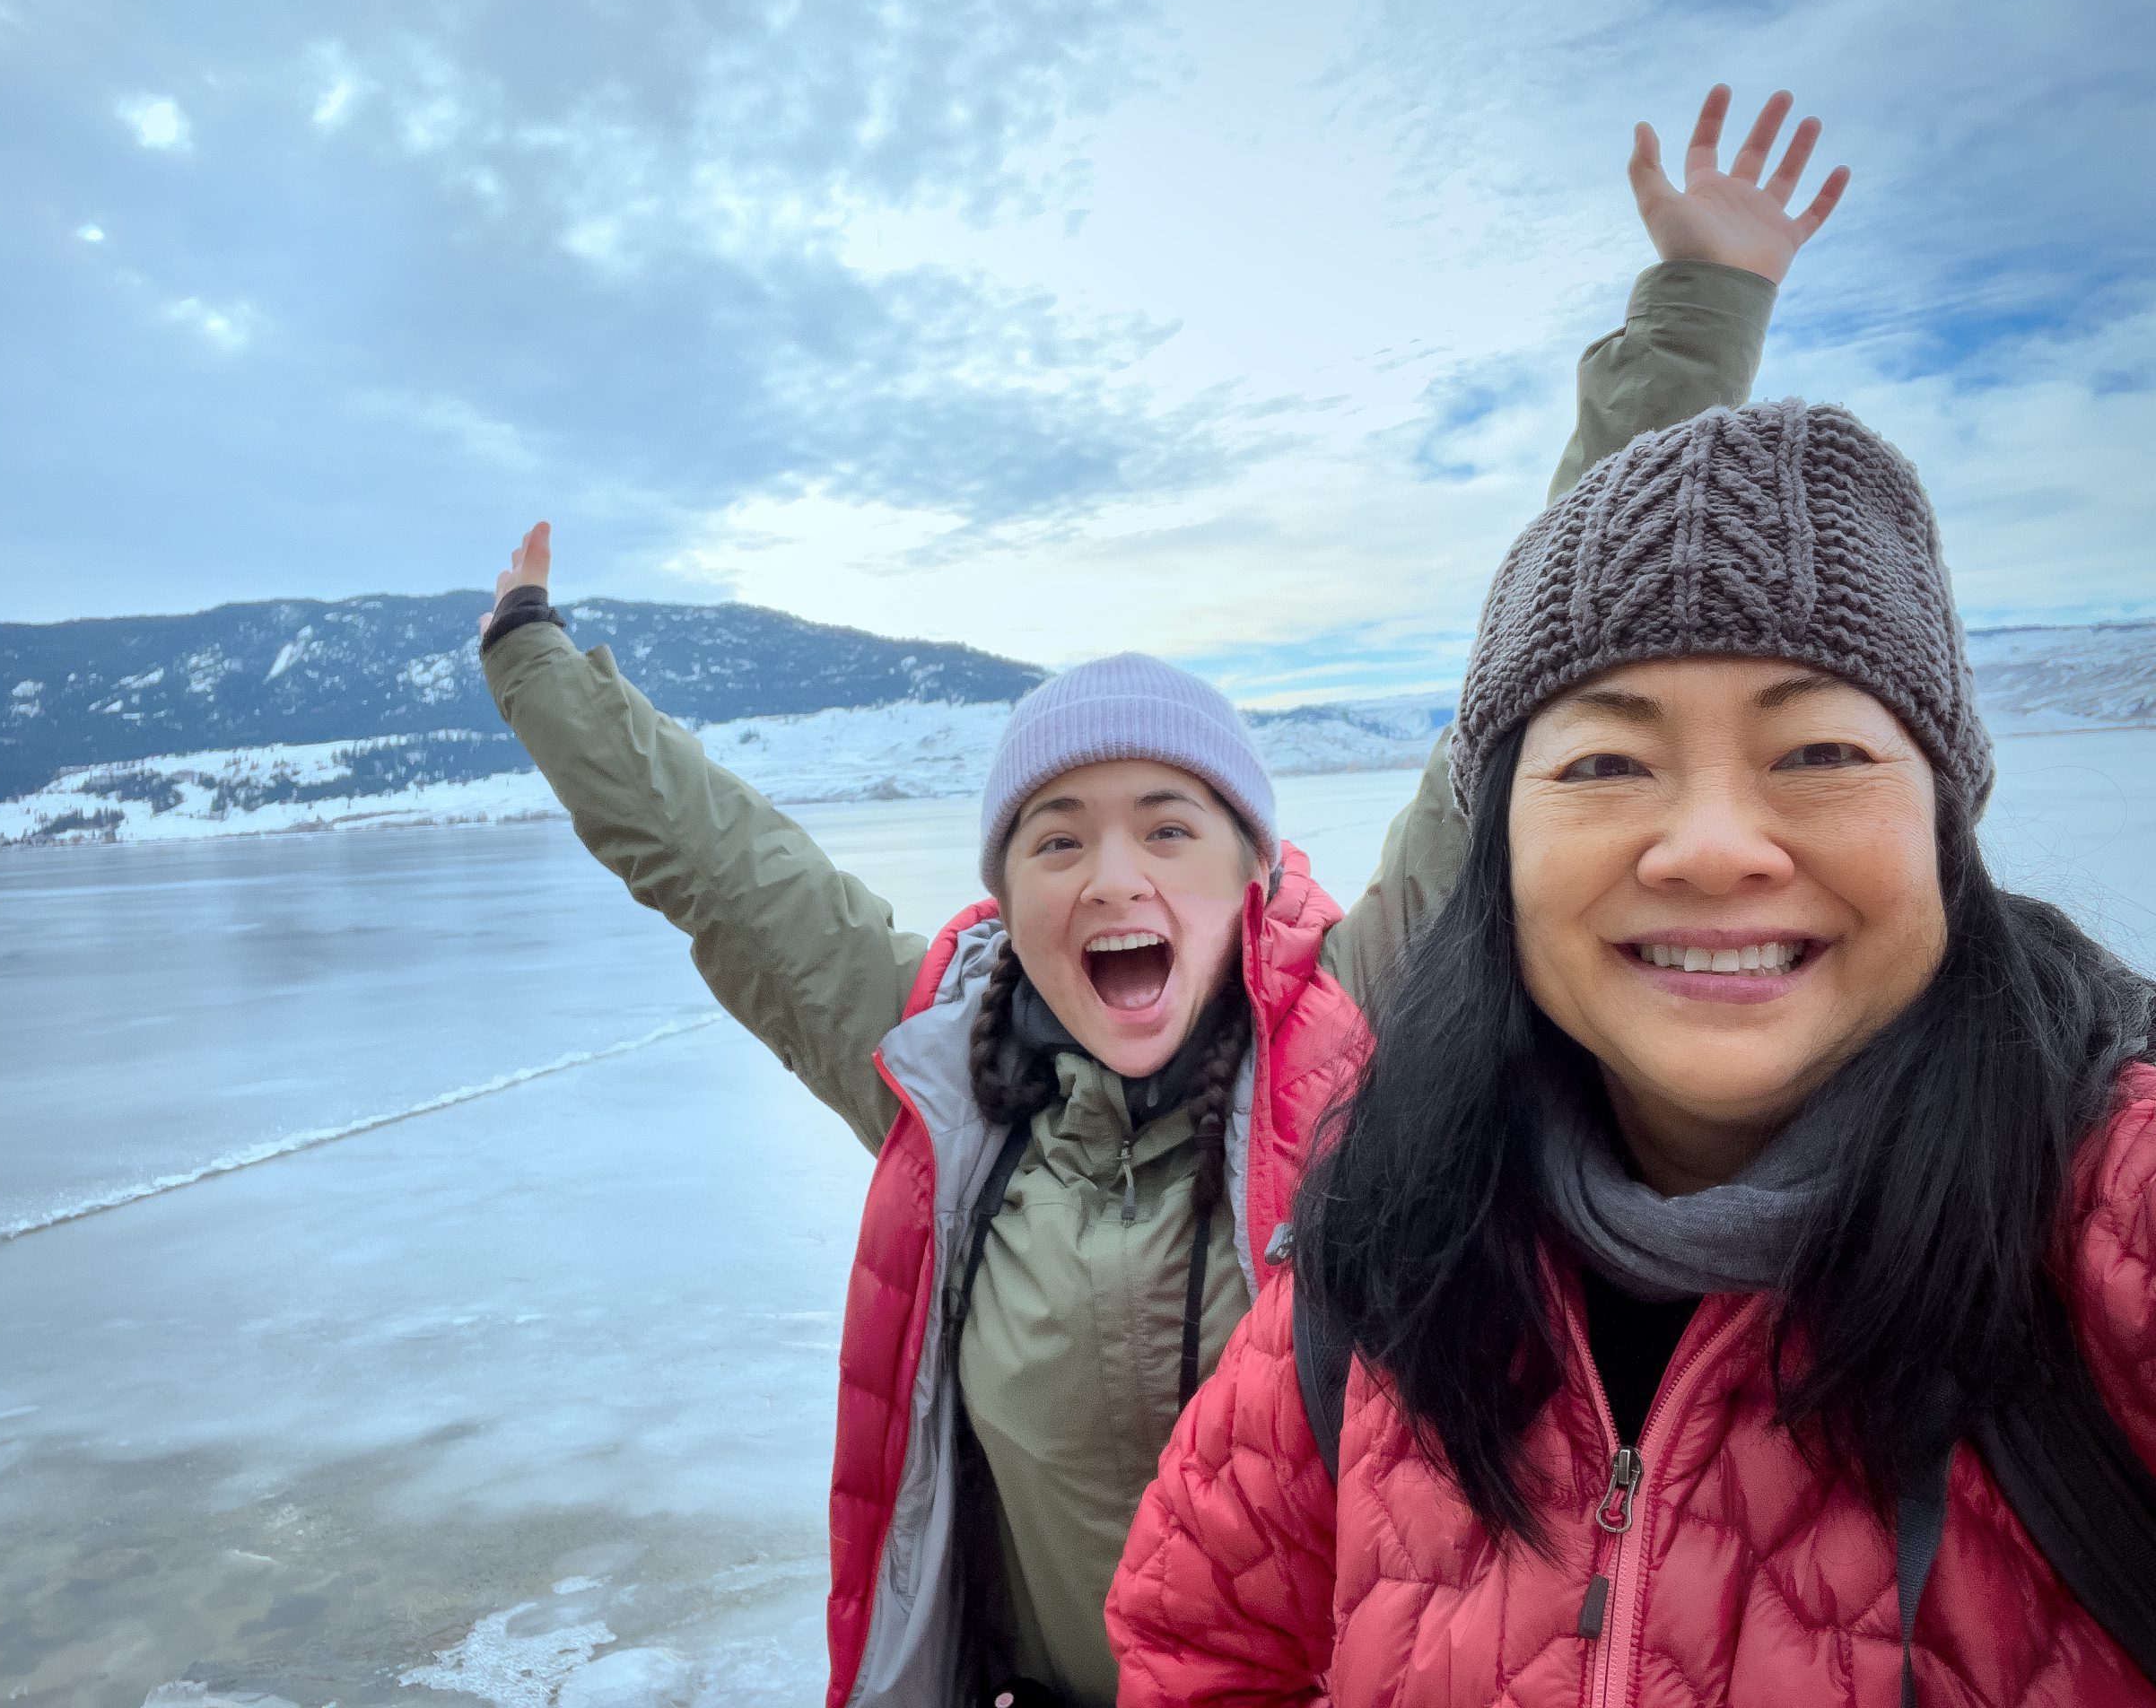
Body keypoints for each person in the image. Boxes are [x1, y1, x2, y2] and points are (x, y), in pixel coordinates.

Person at [478, 87, 1846, 1708]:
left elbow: (1520, 691)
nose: (1114, 874)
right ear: (1005, 894)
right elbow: (722, 863)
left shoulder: (1364, 1014)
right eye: (1055, 839)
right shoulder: (941, 1069)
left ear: (1252, 869)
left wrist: (1697, 308)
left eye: (1168, 828)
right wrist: (533, 665)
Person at [1103, 402, 2156, 1697]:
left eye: (1819, 750)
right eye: (1605, 763)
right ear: (1500, 859)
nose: (1711, 845)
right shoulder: (1382, 1268)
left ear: (1943, 831)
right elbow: (1203, 1648)